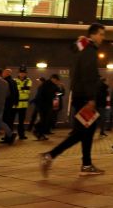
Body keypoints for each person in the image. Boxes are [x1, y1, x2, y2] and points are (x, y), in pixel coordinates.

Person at [40, 24, 107, 176]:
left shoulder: (83, 48)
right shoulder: (89, 50)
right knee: (81, 133)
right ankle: (50, 155)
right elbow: (88, 75)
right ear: (93, 34)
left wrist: (81, 41)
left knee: (87, 131)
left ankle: (86, 164)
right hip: (85, 97)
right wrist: (91, 98)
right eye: (101, 34)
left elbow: (73, 49)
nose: (103, 37)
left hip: (79, 95)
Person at [34, 75, 60, 140]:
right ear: (53, 79)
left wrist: (57, 91)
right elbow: (42, 94)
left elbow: (59, 93)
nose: (56, 81)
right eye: (56, 80)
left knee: (45, 120)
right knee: (43, 120)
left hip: (47, 105)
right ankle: (37, 131)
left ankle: (40, 133)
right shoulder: (46, 84)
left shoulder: (53, 85)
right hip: (43, 105)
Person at [14, 67, 32, 140]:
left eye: (24, 73)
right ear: (18, 73)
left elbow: (28, 91)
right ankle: (8, 135)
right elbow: (16, 90)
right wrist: (23, 89)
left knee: (21, 121)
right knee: (10, 119)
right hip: (15, 104)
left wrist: (20, 89)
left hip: (24, 104)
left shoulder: (29, 80)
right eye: (21, 72)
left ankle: (21, 135)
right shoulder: (14, 80)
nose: (22, 74)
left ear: (26, 73)